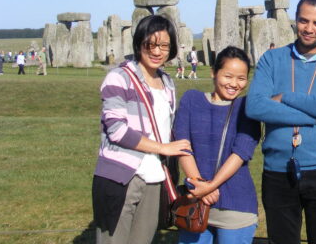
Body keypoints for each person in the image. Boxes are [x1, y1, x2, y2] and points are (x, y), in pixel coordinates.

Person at [246, 0, 316, 244]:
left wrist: (285, 96)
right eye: (304, 21)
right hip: (278, 170)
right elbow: (255, 107)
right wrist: (314, 117)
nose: (309, 29)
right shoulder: (272, 59)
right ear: (295, 20)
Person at [92, 15, 192, 244]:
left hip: (155, 178)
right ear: (139, 43)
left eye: (164, 45)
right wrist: (163, 148)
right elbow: (116, 130)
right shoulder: (118, 78)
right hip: (121, 176)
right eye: (151, 44)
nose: (157, 51)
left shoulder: (167, 82)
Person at [174, 46, 261, 244]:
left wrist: (209, 186)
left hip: (236, 206)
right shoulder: (191, 100)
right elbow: (182, 145)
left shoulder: (247, 108)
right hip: (195, 203)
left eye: (241, 78)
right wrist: (200, 185)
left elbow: (241, 153)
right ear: (214, 72)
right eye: (228, 76)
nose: (234, 84)